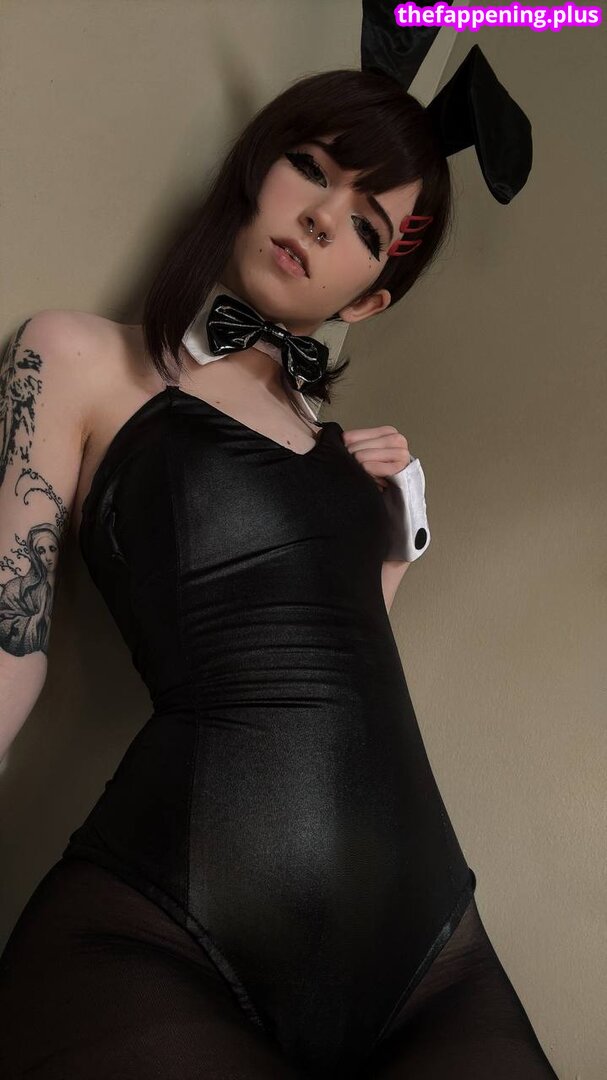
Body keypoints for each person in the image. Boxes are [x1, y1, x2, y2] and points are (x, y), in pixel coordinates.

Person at [0, 65, 558, 1079]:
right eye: (310, 167)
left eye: (365, 227)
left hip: (430, 952)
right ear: (255, 169)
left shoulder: (355, 463)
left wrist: (399, 522)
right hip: (163, 930)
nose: (321, 217)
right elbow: (10, 637)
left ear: (371, 297)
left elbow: (352, 665)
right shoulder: (79, 358)